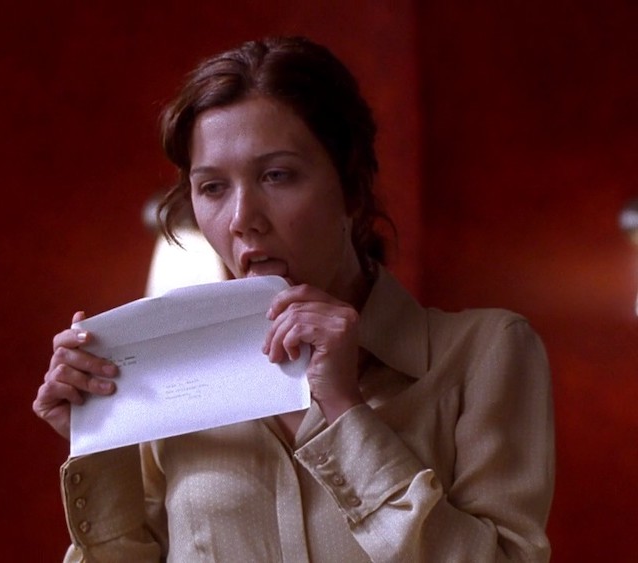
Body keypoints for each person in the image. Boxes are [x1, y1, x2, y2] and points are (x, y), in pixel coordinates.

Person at [33, 36, 554, 562]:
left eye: (276, 175)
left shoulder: (484, 352)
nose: (242, 219)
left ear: (352, 187)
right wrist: (101, 440)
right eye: (212, 187)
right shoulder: (168, 372)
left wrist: (346, 412)